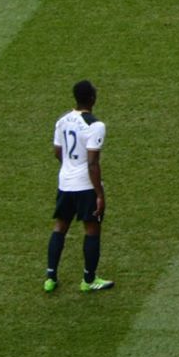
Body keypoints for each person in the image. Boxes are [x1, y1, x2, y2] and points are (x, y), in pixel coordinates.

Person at [47, 78, 112, 293]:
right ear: (92, 99)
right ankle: (88, 280)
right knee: (92, 230)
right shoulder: (95, 126)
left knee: (60, 227)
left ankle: (50, 277)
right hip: (85, 187)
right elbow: (93, 163)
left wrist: (69, 166)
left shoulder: (62, 120)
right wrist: (100, 194)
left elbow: (58, 151)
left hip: (65, 184)